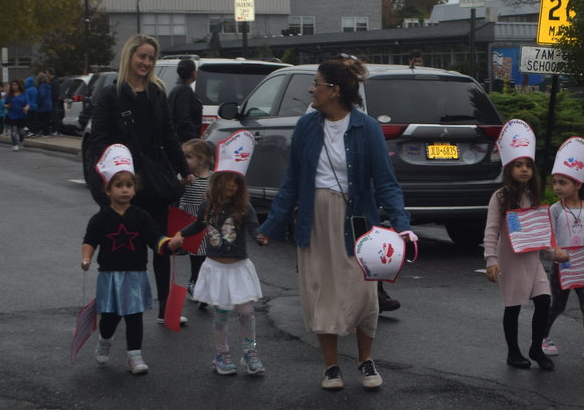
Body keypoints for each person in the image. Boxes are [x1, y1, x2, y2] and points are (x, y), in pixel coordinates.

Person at [257, 58, 415, 390]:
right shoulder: (306, 127)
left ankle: (365, 359)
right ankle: (331, 366)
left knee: (364, 292)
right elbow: (291, 181)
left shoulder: (367, 128)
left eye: (316, 84)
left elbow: (386, 183)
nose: (311, 90)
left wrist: (402, 224)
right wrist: (271, 225)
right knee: (320, 290)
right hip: (314, 217)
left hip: (356, 218)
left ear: (335, 90)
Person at [84, 34, 193, 327]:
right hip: (124, 184)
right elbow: (99, 142)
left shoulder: (158, 92)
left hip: (155, 180)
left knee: (162, 246)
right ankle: (120, 309)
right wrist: (105, 181)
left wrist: (184, 169)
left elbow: (169, 136)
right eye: (141, 56)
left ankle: (166, 310)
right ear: (129, 57)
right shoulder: (111, 94)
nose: (146, 62)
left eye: (150, 58)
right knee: (125, 252)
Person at [169, 133, 269, 376]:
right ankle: (221, 354)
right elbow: (197, 226)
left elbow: (255, 228)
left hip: (239, 267)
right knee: (222, 312)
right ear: (217, 183)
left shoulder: (244, 207)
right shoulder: (207, 207)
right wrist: (179, 235)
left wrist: (260, 237)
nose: (231, 187)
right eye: (227, 182)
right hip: (216, 267)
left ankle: (250, 352)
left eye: (236, 183)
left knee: (246, 312)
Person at [81, 144, 171, 375]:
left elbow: (155, 237)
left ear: (135, 189)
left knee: (134, 316)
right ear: (108, 190)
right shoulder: (101, 218)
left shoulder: (141, 215)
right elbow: (90, 240)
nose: (124, 190)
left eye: (129, 185)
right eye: (119, 185)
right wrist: (86, 258)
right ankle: (105, 339)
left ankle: (135, 356)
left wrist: (167, 244)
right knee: (110, 317)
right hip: (109, 274)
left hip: (135, 274)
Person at [483, 120, 555, 370]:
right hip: (510, 260)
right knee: (513, 307)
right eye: (518, 165)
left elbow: (541, 230)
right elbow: (491, 230)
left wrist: (552, 252)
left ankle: (536, 348)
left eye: (528, 166)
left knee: (544, 301)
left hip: (532, 260)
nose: (524, 170)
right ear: (509, 168)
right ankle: (513, 352)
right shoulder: (500, 197)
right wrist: (491, 260)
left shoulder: (533, 197)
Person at [544, 137, 584, 362]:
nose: (557, 187)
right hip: (561, 266)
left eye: (563, 182)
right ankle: (542, 337)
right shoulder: (554, 210)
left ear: (578, 184)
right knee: (557, 305)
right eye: (555, 182)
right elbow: (548, 239)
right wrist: (556, 253)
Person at [178, 138, 216, 312]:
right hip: (186, 218)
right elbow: (174, 191)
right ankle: (196, 283)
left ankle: (197, 284)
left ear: (202, 159)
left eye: (189, 156)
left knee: (202, 255)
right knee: (196, 255)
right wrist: (182, 184)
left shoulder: (214, 178)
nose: (184, 160)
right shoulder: (184, 177)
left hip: (204, 220)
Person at [167, 58, 202, 143]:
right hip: (185, 141)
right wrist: (193, 139)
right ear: (194, 73)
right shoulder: (185, 90)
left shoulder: (176, 89)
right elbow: (183, 119)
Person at [6, 80, 30, 150]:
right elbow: (4, 103)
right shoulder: (9, 95)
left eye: (15, 85)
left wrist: (26, 107)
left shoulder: (24, 94)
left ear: (19, 86)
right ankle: (15, 144)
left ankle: (21, 141)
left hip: (21, 115)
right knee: (14, 130)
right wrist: (7, 106)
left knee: (21, 131)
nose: (14, 86)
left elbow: (28, 103)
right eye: (13, 85)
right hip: (12, 114)